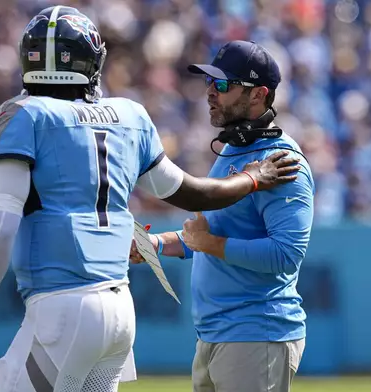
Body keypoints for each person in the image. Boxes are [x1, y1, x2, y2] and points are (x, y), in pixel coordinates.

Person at [0, 7, 301, 392]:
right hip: (119, 309)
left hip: (62, 307)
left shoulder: (22, 114)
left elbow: (1, 224)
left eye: (221, 85)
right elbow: (191, 192)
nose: (210, 92)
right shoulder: (127, 114)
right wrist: (253, 178)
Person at [131, 40, 315, 392]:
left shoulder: (281, 161)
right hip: (216, 334)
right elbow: (209, 235)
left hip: (256, 332)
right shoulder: (234, 150)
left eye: (223, 85)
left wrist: (210, 243)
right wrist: (157, 244)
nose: (211, 93)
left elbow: (285, 256)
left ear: (259, 94)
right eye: (210, 84)